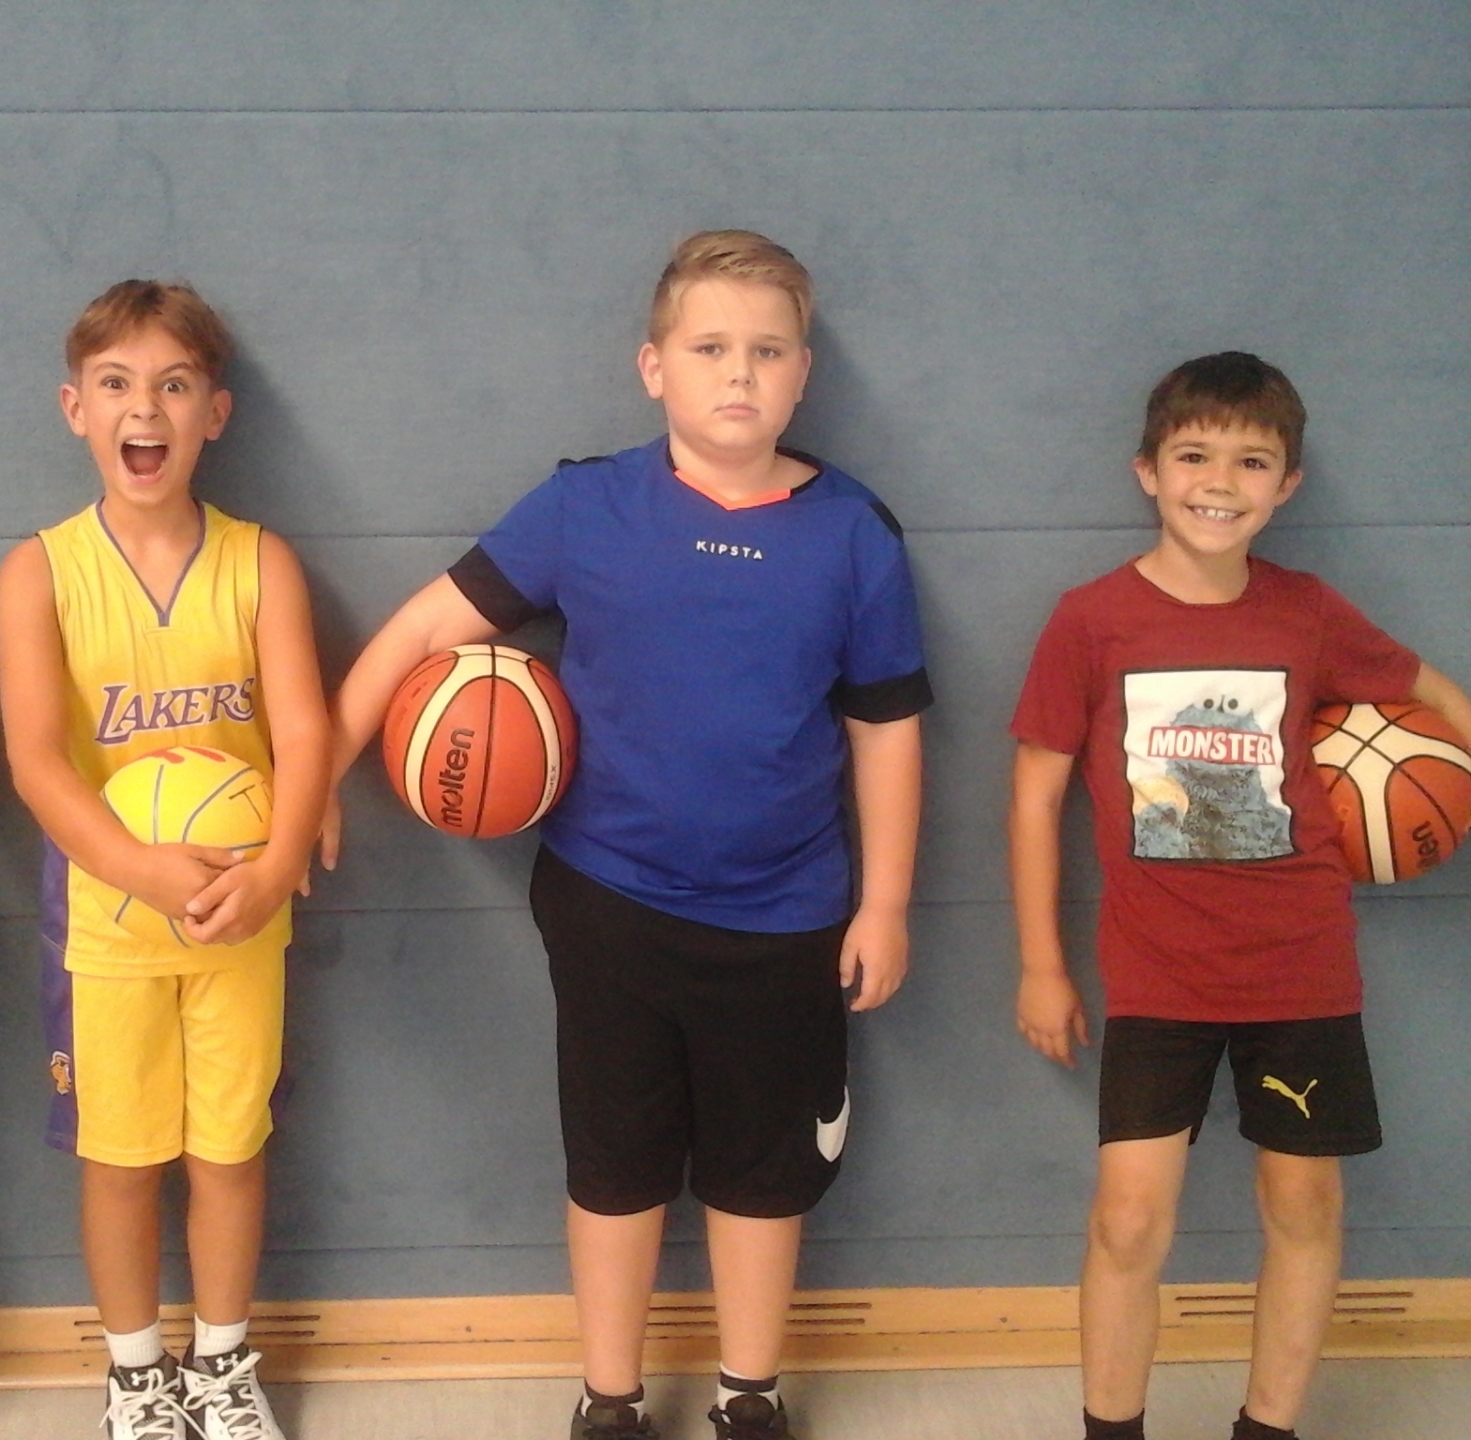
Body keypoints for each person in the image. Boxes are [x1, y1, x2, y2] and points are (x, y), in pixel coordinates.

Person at [327, 231, 931, 1440]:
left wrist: (885, 902)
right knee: (615, 1165)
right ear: (653, 367)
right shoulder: (584, 505)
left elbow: (886, 730)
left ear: (804, 374)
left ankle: (749, 1393)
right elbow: (418, 635)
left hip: (788, 916)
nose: (739, 373)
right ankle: (609, 1396)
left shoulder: (856, 533)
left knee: (763, 1176)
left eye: (767, 351)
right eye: (709, 348)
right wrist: (313, 788)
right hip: (609, 903)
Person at [1009, 352, 1471, 1440]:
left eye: (1252, 461)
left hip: (1300, 966)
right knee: (1129, 1221)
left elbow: (1428, 692)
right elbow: (1034, 796)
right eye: (1194, 455)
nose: (1220, 482)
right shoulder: (1091, 620)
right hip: (1157, 975)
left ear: (1287, 485)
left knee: (1303, 1205)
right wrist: (1041, 964)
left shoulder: (1307, 612)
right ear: (1148, 470)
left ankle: (1268, 1429)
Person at [0, 280, 329, 1440]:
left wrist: (276, 867)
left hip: (243, 915)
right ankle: (137, 1375)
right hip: (109, 927)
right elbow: (36, 763)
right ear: (75, 408)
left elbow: (304, 737)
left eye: (175, 385)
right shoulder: (40, 571)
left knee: (230, 1151)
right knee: (122, 1158)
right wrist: (136, 869)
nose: (146, 409)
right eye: (118, 384)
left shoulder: (260, 562)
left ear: (215, 414)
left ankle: (222, 1365)